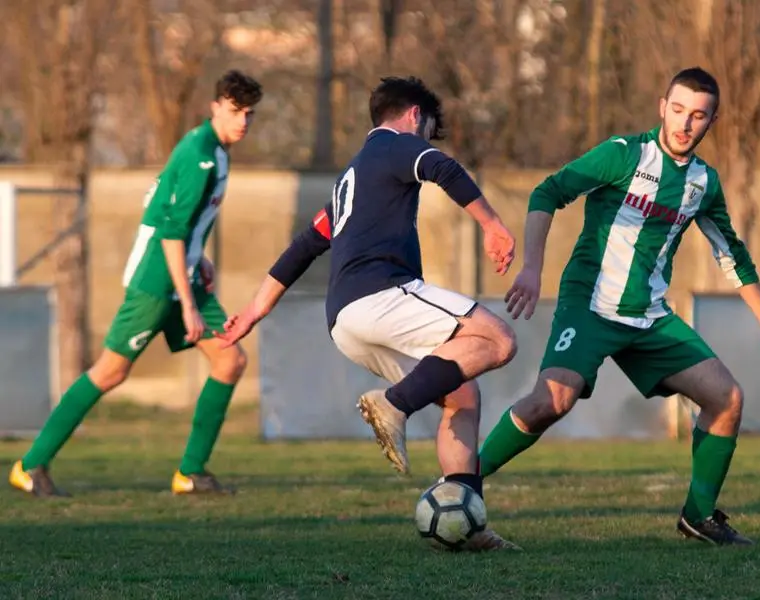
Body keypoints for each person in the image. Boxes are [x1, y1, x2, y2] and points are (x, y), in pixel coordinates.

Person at [477, 67, 760, 546]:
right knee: (553, 400)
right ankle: (465, 481)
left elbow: (730, 253)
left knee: (727, 399)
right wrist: (532, 267)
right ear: (661, 106)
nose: (684, 124)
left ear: (712, 121)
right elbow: (548, 192)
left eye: (698, 115)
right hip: (589, 305)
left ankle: (699, 516)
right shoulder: (623, 155)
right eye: (677, 110)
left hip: (648, 318)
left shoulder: (702, 184)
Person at [218, 76, 520, 550]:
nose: (425, 140)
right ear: (415, 117)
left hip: (344, 321)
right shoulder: (393, 146)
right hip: (380, 293)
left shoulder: (349, 180)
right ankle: (394, 404)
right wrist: (493, 224)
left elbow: (303, 248)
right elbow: (441, 167)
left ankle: (468, 526)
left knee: (461, 395)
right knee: (499, 339)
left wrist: (256, 310)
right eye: (428, 129)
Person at [9, 70, 264, 497]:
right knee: (110, 372)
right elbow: (169, 231)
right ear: (216, 106)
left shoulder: (215, 151)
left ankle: (191, 473)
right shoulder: (200, 155)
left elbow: (170, 212)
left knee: (229, 360)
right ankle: (30, 466)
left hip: (183, 277)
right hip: (157, 283)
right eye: (236, 111)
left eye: (250, 114)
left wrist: (201, 260)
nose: (243, 121)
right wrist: (187, 303)